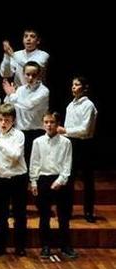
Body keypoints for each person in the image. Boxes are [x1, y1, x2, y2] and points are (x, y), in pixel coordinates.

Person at [30, 111, 76, 259]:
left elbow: (67, 166)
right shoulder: (37, 142)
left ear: (58, 124)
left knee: (63, 216)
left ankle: (65, 246)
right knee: (44, 216)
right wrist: (34, 181)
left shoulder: (66, 142)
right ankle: (45, 246)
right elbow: (34, 163)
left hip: (61, 181)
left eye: (52, 122)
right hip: (44, 179)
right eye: (46, 122)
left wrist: (60, 181)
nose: (49, 125)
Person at [0, 103, 28, 257]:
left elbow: (15, 155)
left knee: (19, 214)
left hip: (17, 179)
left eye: (7, 120)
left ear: (13, 121)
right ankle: (0, 246)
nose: (3, 123)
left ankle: (20, 247)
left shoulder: (19, 135)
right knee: (0, 215)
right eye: (1, 119)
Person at [58, 76, 98, 223]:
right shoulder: (70, 105)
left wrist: (65, 130)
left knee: (88, 180)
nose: (73, 87)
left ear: (85, 87)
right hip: (71, 143)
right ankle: (66, 210)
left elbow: (85, 130)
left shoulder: (88, 105)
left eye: (77, 84)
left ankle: (89, 211)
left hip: (84, 145)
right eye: (72, 84)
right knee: (69, 177)